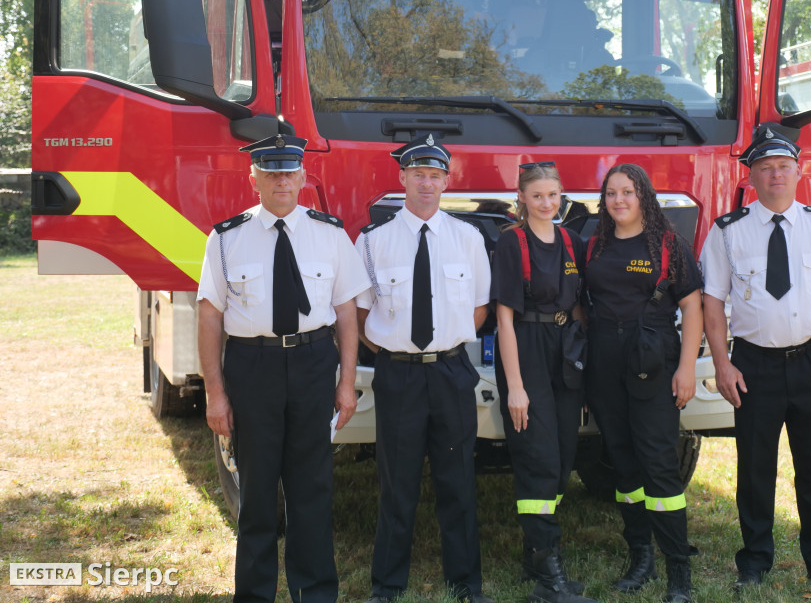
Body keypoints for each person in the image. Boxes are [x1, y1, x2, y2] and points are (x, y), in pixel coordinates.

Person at [197, 134, 368, 603]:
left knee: (312, 488)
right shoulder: (227, 238)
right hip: (253, 367)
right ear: (253, 179)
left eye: (289, 172)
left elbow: (347, 312)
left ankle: (313, 594)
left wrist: (347, 382)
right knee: (255, 494)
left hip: (314, 363)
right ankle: (253, 595)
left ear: (303, 178)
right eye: (270, 173)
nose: (281, 181)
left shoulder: (330, 235)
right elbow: (210, 316)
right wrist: (215, 392)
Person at [699, 124, 811, 590]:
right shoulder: (727, 232)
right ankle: (754, 561)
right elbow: (712, 301)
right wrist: (723, 363)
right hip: (753, 364)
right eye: (765, 168)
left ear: (799, 170)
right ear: (751, 176)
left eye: (783, 166)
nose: (775, 176)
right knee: (754, 469)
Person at [355, 134, 493, 603]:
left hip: (451, 372)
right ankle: (387, 585)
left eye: (435, 176)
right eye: (418, 175)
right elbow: (360, 313)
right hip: (398, 375)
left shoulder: (468, 239)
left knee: (458, 480)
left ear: (446, 180)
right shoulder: (373, 242)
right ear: (403, 178)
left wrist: (443, 344)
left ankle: (466, 583)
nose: (427, 184)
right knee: (398, 483)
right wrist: (393, 352)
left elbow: (478, 309)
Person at [584, 163, 704, 603]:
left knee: (658, 465)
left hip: (655, 366)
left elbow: (692, 308)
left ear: (643, 197)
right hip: (605, 366)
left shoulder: (669, 245)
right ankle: (640, 557)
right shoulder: (593, 244)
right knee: (623, 463)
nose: (619, 200)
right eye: (611, 193)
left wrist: (687, 368)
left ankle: (678, 574)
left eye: (628, 192)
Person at [491, 161, 595, 603]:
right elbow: (504, 320)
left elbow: (579, 307)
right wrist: (516, 386)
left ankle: (537, 554)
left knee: (563, 455)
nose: (546, 204)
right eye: (537, 196)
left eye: (553, 195)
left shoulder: (571, 240)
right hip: (527, 350)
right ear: (522, 199)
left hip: (565, 350)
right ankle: (549, 581)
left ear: (561, 195)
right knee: (538, 456)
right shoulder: (511, 242)